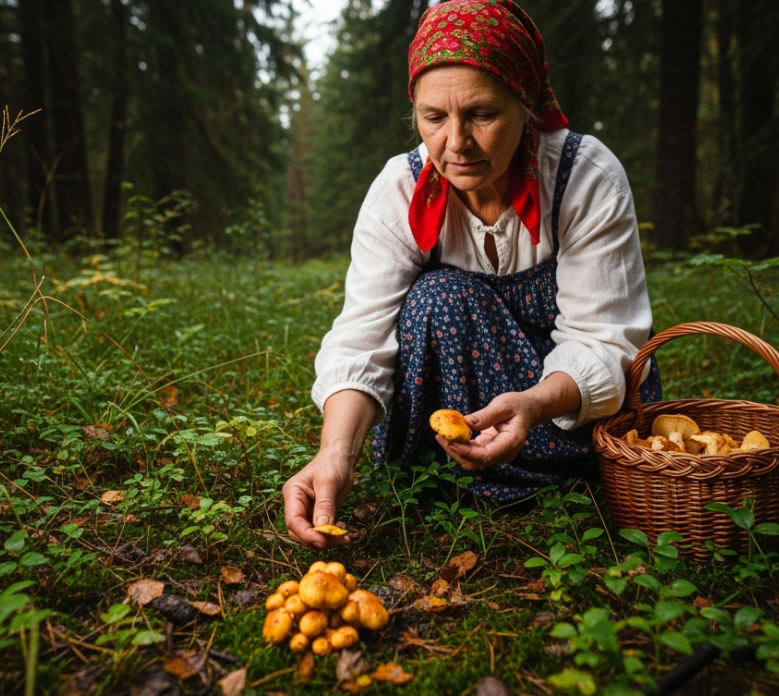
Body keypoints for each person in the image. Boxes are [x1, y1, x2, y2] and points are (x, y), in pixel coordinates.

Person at [283, 0, 661, 549]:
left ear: (526, 104)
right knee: (440, 296)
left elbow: (604, 340)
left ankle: (528, 480)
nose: (455, 143)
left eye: (482, 115)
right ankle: (446, 474)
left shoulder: (585, 177)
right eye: (434, 117)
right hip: (447, 425)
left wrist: (531, 405)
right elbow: (362, 336)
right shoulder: (398, 191)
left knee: (446, 296)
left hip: (557, 417)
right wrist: (335, 453)